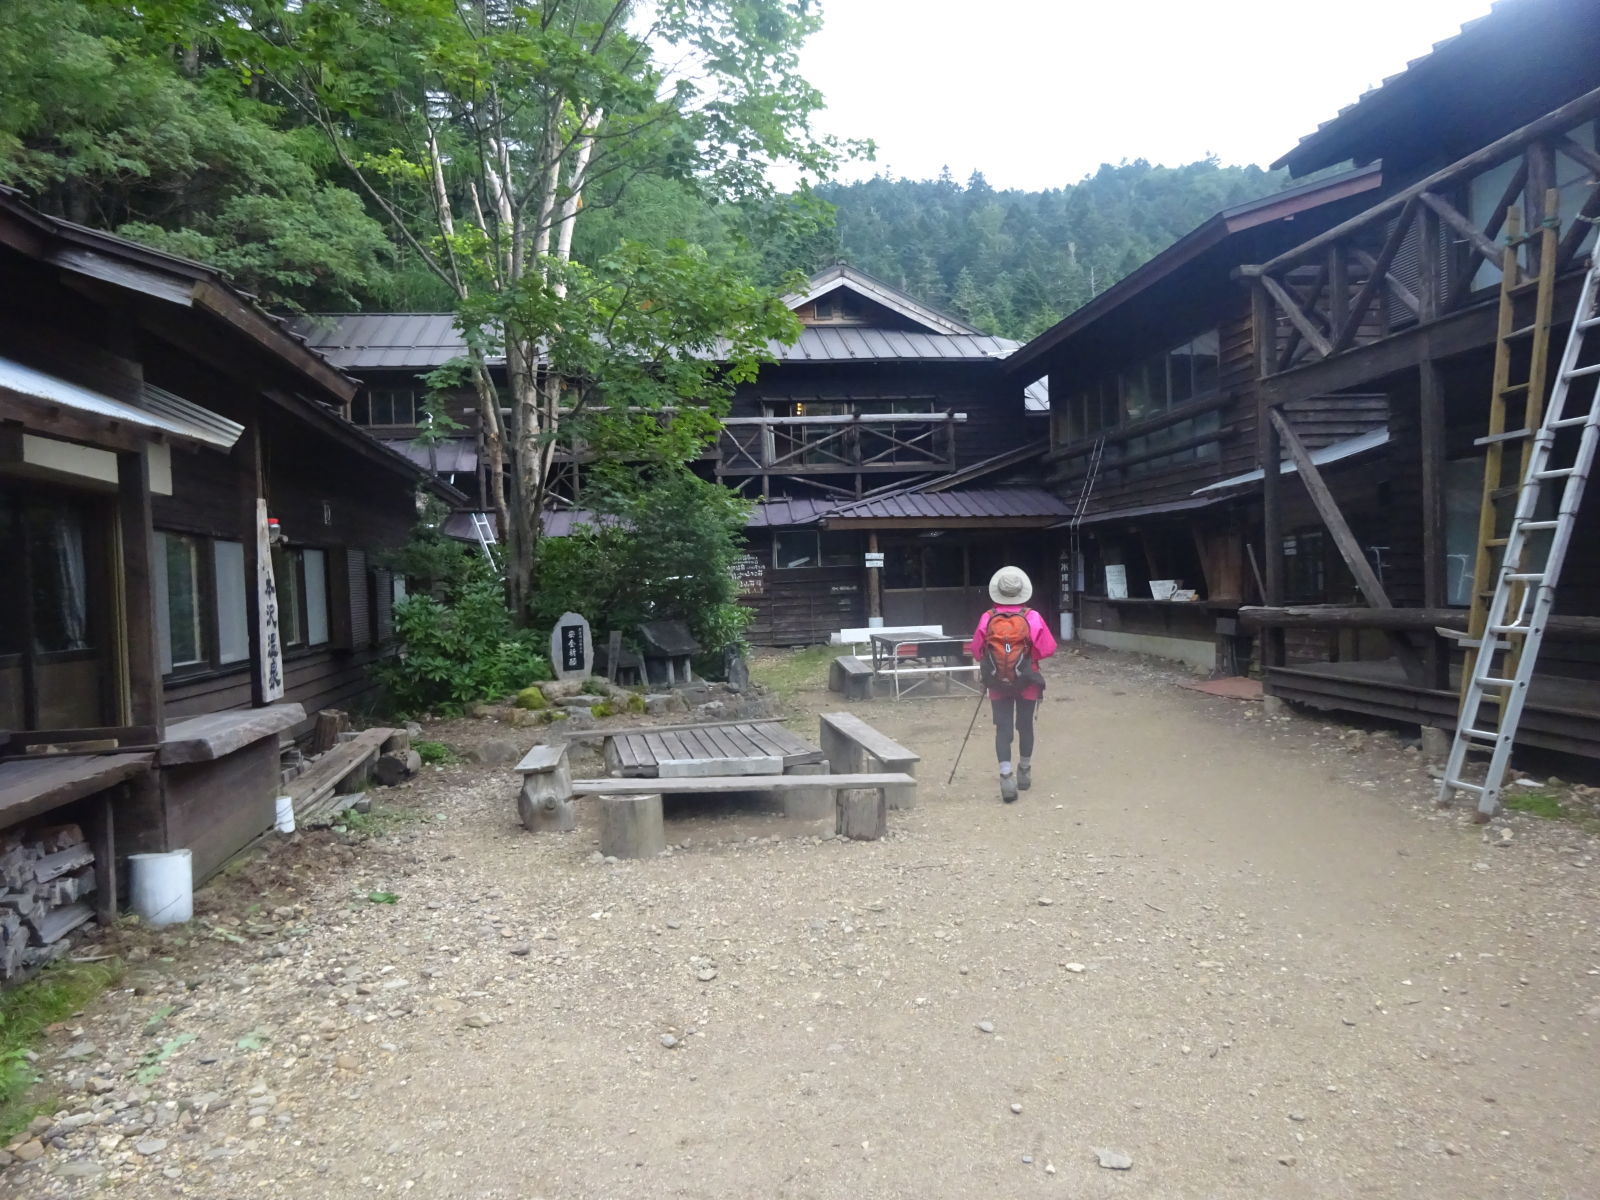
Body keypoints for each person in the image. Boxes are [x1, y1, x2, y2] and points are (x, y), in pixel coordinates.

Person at [965, 566, 1057, 803]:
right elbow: (1048, 649)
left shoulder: (988, 617)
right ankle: (1024, 771)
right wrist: (1026, 657)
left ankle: (1005, 776)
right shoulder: (1032, 617)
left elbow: (976, 650)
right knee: (1025, 726)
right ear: (1022, 592)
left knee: (1003, 728)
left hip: (997, 681)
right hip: (1028, 680)